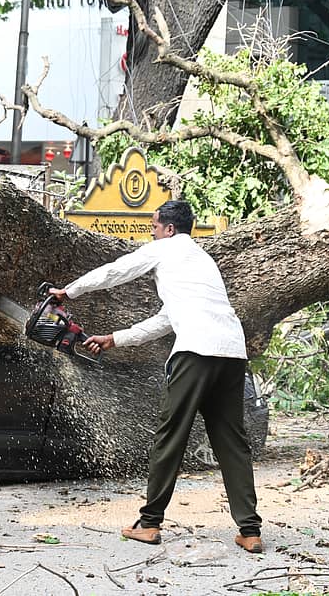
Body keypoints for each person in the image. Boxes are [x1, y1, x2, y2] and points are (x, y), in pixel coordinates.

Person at [49, 200, 263, 553]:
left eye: (153, 226)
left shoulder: (167, 248)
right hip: (231, 354)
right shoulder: (202, 261)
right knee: (232, 442)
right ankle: (250, 530)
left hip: (195, 352)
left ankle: (149, 524)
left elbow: (116, 270)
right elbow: (166, 319)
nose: (151, 231)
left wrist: (67, 291)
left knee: (170, 437)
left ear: (168, 229)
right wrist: (115, 338)